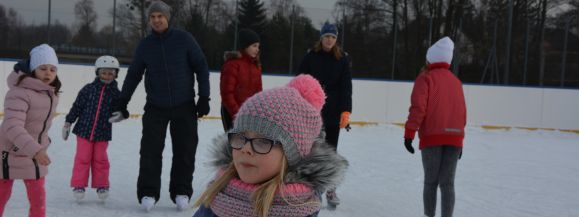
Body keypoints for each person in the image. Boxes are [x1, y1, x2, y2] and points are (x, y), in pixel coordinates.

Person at [192, 75, 348, 217]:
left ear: (292, 155)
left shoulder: (300, 208)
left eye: (263, 141)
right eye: (240, 137)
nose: (245, 149)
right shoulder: (218, 195)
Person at [107, 1, 210, 212]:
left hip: (184, 105)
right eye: (152, 17)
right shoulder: (145, 45)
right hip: (156, 106)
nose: (156, 20)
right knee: (150, 151)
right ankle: (148, 192)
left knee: (185, 150)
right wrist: (122, 102)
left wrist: (204, 97)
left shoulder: (184, 39)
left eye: (159, 16)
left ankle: (181, 191)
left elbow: (201, 67)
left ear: (167, 17)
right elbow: (134, 75)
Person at [403, 36, 466, 217]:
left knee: (431, 182)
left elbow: (418, 108)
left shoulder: (425, 78)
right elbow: (462, 113)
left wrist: (409, 133)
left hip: (432, 137)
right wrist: (460, 139)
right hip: (454, 138)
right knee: (448, 183)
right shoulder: (456, 81)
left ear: (430, 58)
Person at [0, 44, 61, 217]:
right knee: (2, 195)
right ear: (33, 69)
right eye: (42, 68)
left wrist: (41, 145)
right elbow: (12, 126)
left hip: (34, 153)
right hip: (7, 153)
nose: (48, 73)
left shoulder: (51, 94)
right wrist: (36, 150)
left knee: (38, 199)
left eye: (52, 69)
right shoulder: (19, 93)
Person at [297, 22, 352, 207]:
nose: (330, 40)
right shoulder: (311, 57)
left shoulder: (342, 59)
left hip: (334, 112)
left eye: (333, 37)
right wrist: (299, 104)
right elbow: (300, 81)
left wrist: (346, 110)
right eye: (327, 36)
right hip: (313, 111)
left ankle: (330, 189)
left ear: (336, 40)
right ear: (321, 38)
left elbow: (346, 87)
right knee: (311, 150)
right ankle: (309, 189)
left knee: (330, 151)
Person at [62, 55, 121, 201]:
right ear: (98, 72)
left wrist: (121, 114)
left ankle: (102, 185)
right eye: (104, 72)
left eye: (111, 73)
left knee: (100, 159)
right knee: (82, 158)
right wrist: (68, 122)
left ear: (115, 74)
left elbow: (120, 109)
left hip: (103, 132)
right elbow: (77, 106)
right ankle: (79, 185)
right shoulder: (88, 89)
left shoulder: (116, 93)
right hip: (83, 130)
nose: (107, 76)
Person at [220, 28, 263, 131]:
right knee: (235, 145)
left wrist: (257, 113)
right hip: (231, 113)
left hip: (250, 115)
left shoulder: (256, 67)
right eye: (254, 46)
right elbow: (227, 93)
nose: (257, 49)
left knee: (250, 145)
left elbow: (259, 95)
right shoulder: (232, 65)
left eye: (258, 46)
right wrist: (237, 114)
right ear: (245, 46)